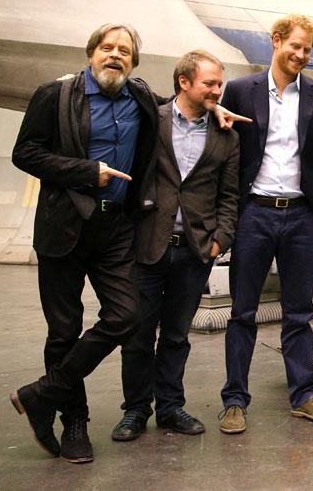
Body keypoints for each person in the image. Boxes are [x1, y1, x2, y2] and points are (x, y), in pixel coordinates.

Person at [9, 23, 160, 463]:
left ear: (133, 62)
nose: (115, 55)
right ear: (91, 53)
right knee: (64, 329)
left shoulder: (142, 98)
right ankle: (74, 420)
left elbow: (175, 110)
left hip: (116, 229)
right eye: (107, 48)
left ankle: (43, 394)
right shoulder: (54, 95)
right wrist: (86, 172)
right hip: (65, 226)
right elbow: (26, 153)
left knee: (126, 315)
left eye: (125, 51)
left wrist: (212, 110)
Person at [218, 14, 313, 434]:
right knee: (242, 312)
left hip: (301, 216)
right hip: (254, 213)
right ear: (276, 41)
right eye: (296, 46)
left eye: (308, 50)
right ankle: (234, 401)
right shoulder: (239, 90)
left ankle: (304, 396)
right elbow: (227, 149)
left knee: (299, 313)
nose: (301, 55)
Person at [112, 50, 240, 441]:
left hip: (195, 251)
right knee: (137, 335)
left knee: (175, 336)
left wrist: (221, 239)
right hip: (148, 245)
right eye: (210, 84)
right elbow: (130, 88)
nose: (218, 90)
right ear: (184, 82)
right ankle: (135, 410)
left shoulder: (227, 135)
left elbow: (230, 196)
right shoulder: (153, 120)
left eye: (220, 83)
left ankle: (170, 407)